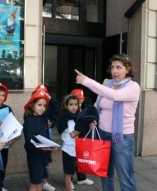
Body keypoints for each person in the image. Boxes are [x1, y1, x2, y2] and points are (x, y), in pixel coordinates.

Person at [75, 53, 140, 191]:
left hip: (122, 137)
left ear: (128, 69)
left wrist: (87, 81)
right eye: (112, 67)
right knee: (105, 173)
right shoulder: (108, 84)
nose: (114, 71)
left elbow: (115, 96)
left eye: (119, 67)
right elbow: (98, 104)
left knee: (125, 176)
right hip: (103, 135)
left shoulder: (133, 87)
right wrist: (94, 119)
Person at [23, 91, 57, 191]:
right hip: (34, 157)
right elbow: (28, 142)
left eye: (44, 105)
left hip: (43, 155)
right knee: (35, 183)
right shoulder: (29, 121)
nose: (42, 108)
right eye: (39, 105)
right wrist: (41, 147)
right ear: (32, 105)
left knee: (40, 183)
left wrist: (48, 96)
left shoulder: (43, 118)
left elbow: (55, 107)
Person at [32, 83, 59, 191]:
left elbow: (56, 109)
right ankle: (38, 181)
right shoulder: (33, 111)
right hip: (38, 138)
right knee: (38, 161)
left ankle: (44, 181)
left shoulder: (48, 108)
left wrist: (51, 124)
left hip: (47, 134)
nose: (42, 108)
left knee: (46, 159)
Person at [70, 89, 94, 186]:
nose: (78, 105)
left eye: (80, 102)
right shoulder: (69, 113)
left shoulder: (81, 111)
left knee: (80, 158)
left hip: (80, 139)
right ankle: (69, 180)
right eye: (76, 103)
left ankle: (81, 177)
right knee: (71, 161)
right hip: (72, 140)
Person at [0, 82, 13, 191]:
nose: (0, 98)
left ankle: (0, 185)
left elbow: (12, 124)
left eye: (2, 95)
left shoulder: (8, 109)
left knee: (3, 165)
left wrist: (10, 137)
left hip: (4, 142)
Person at [57, 94, 79, 191]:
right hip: (70, 149)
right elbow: (73, 134)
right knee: (68, 174)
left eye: (75, 104)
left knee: (68, 172)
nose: (74, 107)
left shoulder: (70, 116)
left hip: (70, 148)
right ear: (65, 106)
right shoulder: (70, 118)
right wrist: (82, 127)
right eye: (71, 104)